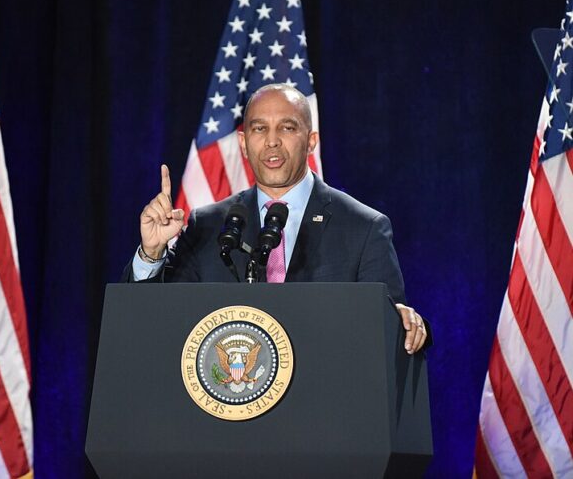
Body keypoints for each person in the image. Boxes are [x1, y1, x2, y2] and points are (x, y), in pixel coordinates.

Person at [123, 83, 429, 353]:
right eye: (259, 128)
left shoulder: (363, 228)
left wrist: (406, 323)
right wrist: (151, 253)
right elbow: (157, 323)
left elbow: (391, 330)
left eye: (287, 128)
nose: (272, 141)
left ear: (311, 141)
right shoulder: (207, 225)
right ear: (243, 143)